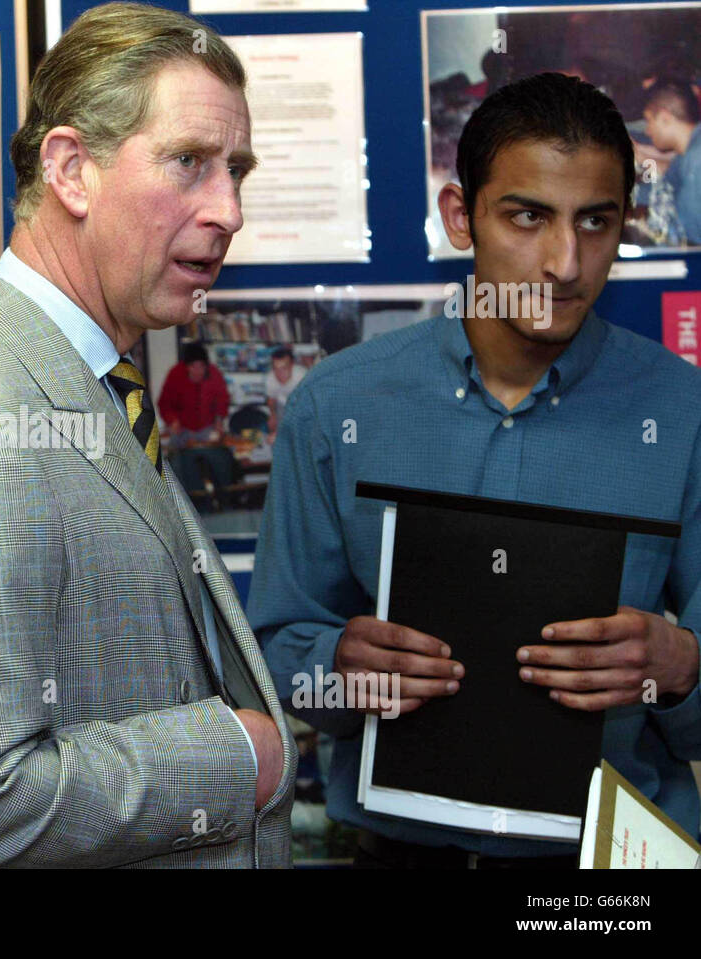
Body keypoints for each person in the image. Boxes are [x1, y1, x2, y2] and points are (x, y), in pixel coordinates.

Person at [0, 2, 295, 869]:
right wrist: (241, 758)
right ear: (71, 170)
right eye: (189, 163)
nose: (229, 210)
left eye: (236, 170)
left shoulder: (91, 374)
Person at [249, 72, 701, 867]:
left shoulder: (685, 412)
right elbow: (279, 651)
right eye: (528, 216)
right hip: (401, 851)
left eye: (595, 222)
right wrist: (336, 667)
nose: (564, 262)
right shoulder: (336, 406)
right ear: (462, 217)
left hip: (613, 871)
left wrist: (682, 666)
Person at [641, 78, 701, 244]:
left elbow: (691, 236)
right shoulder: (685, 156)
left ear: (665, 118)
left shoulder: (696, 160)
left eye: (648, 120)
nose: (647, 131)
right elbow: (659, 188)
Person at [158, 343, 229, 449]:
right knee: (176, 461)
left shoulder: (214, 374)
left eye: (201, 366)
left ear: (206, 366)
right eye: (193, 366)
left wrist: (219, 419)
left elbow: (222, 400)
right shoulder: (175, 374)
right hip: (182, 429)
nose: (197, 371)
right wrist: (172, 420)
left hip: (207, 428)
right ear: (186, 366)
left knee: (214, 457)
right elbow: (164, 403)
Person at [263, 344, 305, 415]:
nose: (280, 373)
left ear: (292, 366)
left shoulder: (302, 376)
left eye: (284, 368)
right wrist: (273, 416)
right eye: (276, 368)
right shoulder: (270, 378)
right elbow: (272, 400)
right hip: (282, 406)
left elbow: (307, 401)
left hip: (301, 405)